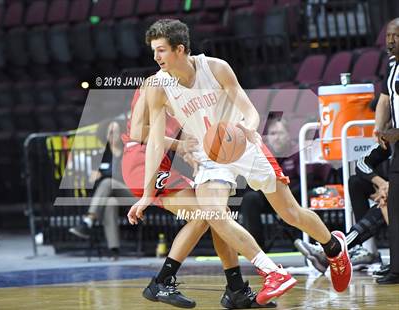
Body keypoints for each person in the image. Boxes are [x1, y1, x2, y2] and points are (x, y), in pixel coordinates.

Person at [128, 19, 352, 305]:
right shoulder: (158, 87)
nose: (155, 57)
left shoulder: (215, 67)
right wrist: (148, 194)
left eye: (161, 51)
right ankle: (271, 272)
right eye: (154, 51)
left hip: (243, 145)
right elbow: (155, 142)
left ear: (180, 49)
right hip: (210, 157)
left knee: (291, 214)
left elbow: (249, 110)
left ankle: (333, 247)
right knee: (214, 214)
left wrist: (249, 126)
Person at [122, 88, 276, 308]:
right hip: (141, 159)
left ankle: (236, 289)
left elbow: (183, 136)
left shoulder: (187, 93)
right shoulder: (154, 84)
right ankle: (161, 282)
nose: (159, 56)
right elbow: (140, 132)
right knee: (204, 215)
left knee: (216, 215)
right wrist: (180, 146)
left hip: (162, 161)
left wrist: (191, 153)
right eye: (158, 51)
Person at [295, 143, 390, 273]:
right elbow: (361, 163)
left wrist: (391, 190)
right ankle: (368, 250)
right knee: (356, 182)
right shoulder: (389, 140)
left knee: (387, 202)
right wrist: (382, 184)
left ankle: (335, 248)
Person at [240, 116, 330, 248]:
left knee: (312, 194)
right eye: (272, 133)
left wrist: (286, 195)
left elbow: (309, 180)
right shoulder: (261, 154)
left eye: (280, 133)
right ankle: (257, 249)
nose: (276, 137)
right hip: (270, 197)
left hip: (296, 198)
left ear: (288, 135)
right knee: (250, 198)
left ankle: (312, 245)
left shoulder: (298, 151)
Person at [69, 118, 134, 259]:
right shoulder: (100, 155)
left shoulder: (128, 152)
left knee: (107, 182)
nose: (112, 135)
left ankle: (88, 220)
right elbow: (92, 180)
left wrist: (103, 174)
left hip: (130, 194)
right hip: (111, 196)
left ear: (122, 134)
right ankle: (114, 249)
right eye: (109, 132)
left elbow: (125, 176)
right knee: (110, 202)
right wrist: (98, 177)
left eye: (115, 132)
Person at [373, 17, 399, 285]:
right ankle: (396, 268)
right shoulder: (392, 67)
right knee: (394, 205)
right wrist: (378, 127)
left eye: (396, 36)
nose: (390, 42)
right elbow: (384, 99)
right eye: (388, 36)